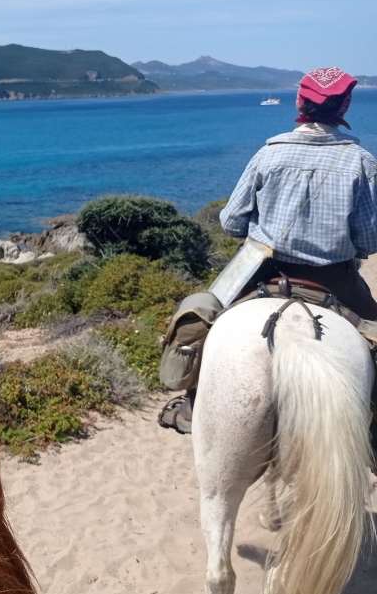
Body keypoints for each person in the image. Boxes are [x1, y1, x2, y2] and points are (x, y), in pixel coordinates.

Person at [159, 67, 377, 434]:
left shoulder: (268, 155)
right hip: (336, 282)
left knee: (203, 313)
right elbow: (369, 242)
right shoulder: (362, 164)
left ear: (299, 102)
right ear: (345, 106)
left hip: (262, 272)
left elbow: (230, 223)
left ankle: (193, 400)